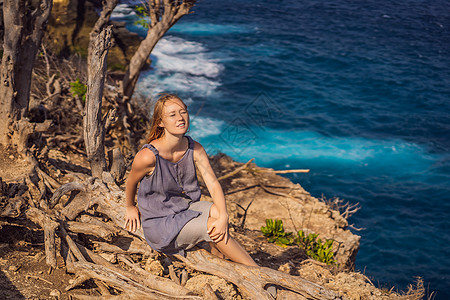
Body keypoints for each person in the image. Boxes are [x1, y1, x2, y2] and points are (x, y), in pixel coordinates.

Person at [124, 94, 257, 266]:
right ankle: (258, 272)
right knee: (211, 225)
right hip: (160, 223)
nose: (180, 118)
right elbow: (131, 182)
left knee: (218, 212)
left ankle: (219, 256)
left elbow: (213, 183)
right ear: (160, 122)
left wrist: (224, 215)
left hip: (184, 208)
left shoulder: (195, 148)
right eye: (172, 115)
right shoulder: (148, 156)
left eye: (183, 112)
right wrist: (130, 207)